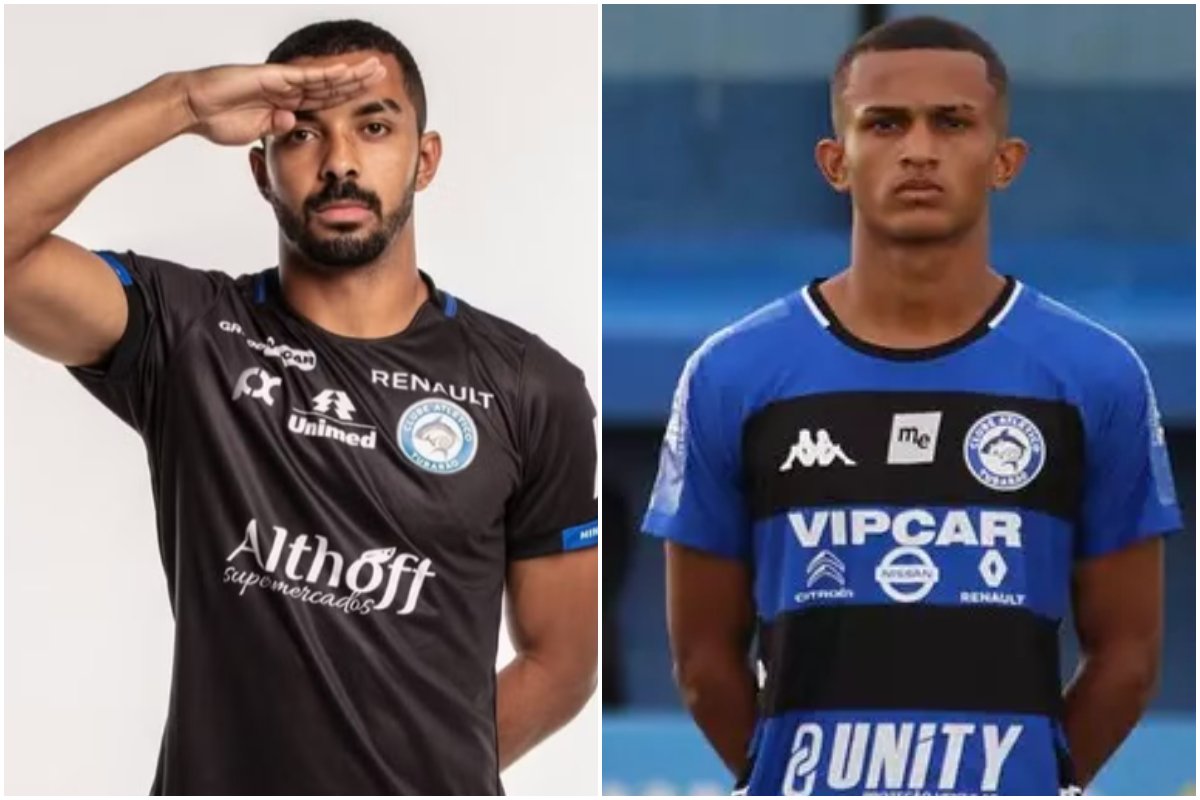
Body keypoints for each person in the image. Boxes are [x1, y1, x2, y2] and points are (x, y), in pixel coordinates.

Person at [5, 18, 597, 796]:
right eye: (301, 136)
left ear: (425, 160)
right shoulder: (193, 334)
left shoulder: (530, 385)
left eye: (374, 126)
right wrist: (181, 101)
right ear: (261, 170)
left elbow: (562, 662)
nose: (340, 163)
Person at [643, 15, 1180, 796]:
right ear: (836, 161)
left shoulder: (1096, 375)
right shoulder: (733, 373)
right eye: (885, 123)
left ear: (1005, 160)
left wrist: (1031, 782)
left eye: (953, 123)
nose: (919, 150)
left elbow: (1128, 658)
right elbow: (701, 663)